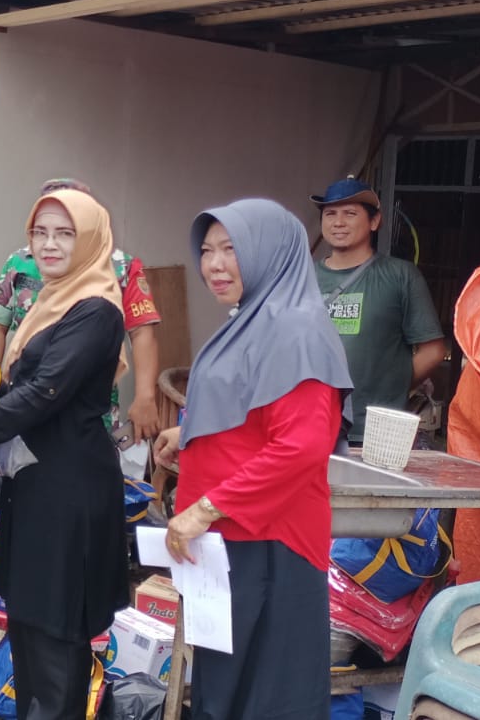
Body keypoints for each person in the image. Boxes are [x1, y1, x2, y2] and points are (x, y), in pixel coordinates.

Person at [0, 189, 128, 720]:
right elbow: (16, 385)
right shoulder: (51, 299)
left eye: (65, 234)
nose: (50, 245)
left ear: (90, 241)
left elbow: (44, 393)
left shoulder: (97, 309)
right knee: (31, 618)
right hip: (35, 479)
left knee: (58, 626)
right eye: (41, 233)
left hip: (70, 485)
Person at [154, 199, 353, 720]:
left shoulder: (297, 329)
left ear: (270, 253)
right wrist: (190, 432)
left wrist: (204, 509)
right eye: (207, 251)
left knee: (265, 694)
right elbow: (250, 408)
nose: (214, 265)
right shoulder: (254, 318)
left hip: (270, 546)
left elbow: (300, 447)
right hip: (233, 541)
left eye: (231, 250)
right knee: (225, 686)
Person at [0, 178, 163, 443]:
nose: (52, 239)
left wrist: (145, 397)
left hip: (89, 403)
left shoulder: (119, 267)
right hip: (24, 397)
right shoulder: (19, 262)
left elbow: (142, 333)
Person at [311, 176, 446, 444]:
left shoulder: (401, 275)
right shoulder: (303, 278)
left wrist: (392, 387)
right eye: (330, 214)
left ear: (374, 221)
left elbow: (434, 350)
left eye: (350, 213)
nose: (338, 222)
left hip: (377, 431)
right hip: (312, 427)